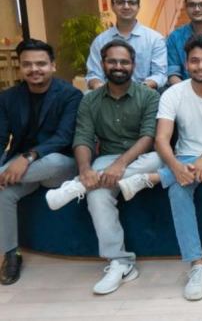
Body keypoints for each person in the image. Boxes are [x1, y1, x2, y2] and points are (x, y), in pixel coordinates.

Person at [119, 35, 202, 300]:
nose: (201, 66)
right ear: (186, 64)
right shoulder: (173, 93)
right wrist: (175, 166)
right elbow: (161, 139)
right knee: (178, 188)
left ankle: (154, 178)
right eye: (195, 61)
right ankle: (197, 266)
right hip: (185, 162)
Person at [45, 39, 161, 295]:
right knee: (97, 195)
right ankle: (120, 262)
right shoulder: (90, 100)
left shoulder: (149, 96)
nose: (118, 66)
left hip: (142, 158)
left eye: (124, 62)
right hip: (105, 159)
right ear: (103, 64)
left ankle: (78, 187)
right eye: (112, 61)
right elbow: (83, 138)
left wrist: (121, 164)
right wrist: (85, 169)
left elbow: (148, 137)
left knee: (159, 159)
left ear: (133, 65)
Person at [0, 39, 81, 286]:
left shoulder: (70, 95)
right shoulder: (8, 98)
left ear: (53, 66)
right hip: (26, 172)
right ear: (20, 67)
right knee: (4, 194)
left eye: (41, 64)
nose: (34, 69)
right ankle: (11, 254)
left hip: (59, 166)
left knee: (53, 161)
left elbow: (63, 137)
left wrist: (27, 157)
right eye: (27, 64)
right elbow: (1, 137)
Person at [86, 0, 167, 90]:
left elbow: (160, 74)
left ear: (138, 7)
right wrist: (102, 89)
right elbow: (93, 75)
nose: (126, 6)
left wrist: (138, 91)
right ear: (112, 6)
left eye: (131, 3)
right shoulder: (100, 41)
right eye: (120, 2)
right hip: (108, 96)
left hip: (144, 95)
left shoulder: (155, 39)